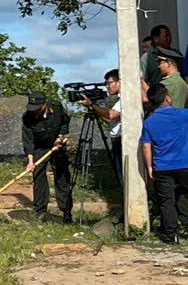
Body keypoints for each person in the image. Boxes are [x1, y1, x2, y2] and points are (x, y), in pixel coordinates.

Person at [141, 84, 188, 243]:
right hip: (184, 164)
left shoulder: (149, 122)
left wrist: (149, 167)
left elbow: (146, 146)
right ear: (167, 98)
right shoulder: (184, 115)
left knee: (167, 202)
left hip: (162, 166)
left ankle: (171, 235)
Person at [22, 91, 72, 223]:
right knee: (38, 177)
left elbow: (65, 123)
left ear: (44, 104)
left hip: (57, 146)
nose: (35, 112)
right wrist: (30, 161)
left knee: (62, 179)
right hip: (40, 148)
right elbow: (28, 141)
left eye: (37, 109)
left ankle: (66, 212)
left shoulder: (56, 108)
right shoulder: (27, 117)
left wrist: (60, 137)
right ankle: (40, 212)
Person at [79, 69, 124, 185]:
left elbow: (111, 114)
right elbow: (109, 120)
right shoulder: (119, 99)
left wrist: (92, 104)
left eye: (109, 83)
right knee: (120, 174)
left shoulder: (125, 99)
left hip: (121, 141)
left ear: (119, 81)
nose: (107, 87)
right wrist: (93, 108)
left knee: (123, 175)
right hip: (116, 141)